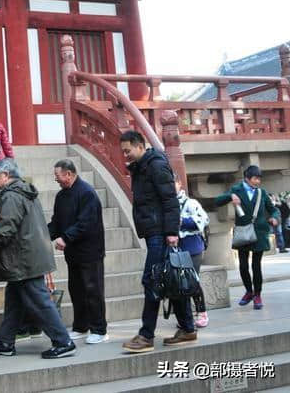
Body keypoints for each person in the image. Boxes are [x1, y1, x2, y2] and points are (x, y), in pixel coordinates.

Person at [0, 158, 76, 360]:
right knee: (14, 301)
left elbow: (4, 230)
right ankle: (6, 342)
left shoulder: (12, 196)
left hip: (23, 259)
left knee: (39, 301)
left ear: (5, 176)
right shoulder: (21, 192)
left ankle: (63, 341)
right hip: (25, 256)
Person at [119, 130, 195, 353]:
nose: (125, 155)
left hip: (161, 234)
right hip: (155, 232)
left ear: (139, 146)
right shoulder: (142, 167)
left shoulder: (156, 166)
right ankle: (188, 328)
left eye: (127, 150)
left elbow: (170, 200)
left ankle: (146, 335)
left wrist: (172, 231)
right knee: (171, 279)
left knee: (152, 280)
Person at [48, 159, 107, 344]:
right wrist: (42, 235)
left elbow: (86, 223)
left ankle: (99, 329)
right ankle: (81, 326)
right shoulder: (61, 196)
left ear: (68, 174)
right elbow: (56, 222)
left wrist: (66, 238)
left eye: (58, 176)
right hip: (72, 253)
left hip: (90, 251)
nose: (56, 179)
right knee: (77, 290)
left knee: (93, 290)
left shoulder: (87, 193)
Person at [215, 165, 280, 309]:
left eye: (259, 179)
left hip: (259, 233)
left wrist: (275, 218)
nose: (258, 181)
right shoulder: (236, 190)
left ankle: (257, 295)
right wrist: (230, 196)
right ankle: (249, 292)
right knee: (243, 266)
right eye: (255, 178)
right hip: (243, 233)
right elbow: (217, 201)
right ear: (247, 178)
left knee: (256, 266)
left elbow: (273, 210)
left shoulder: (262, 193)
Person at [175, 178, 209, 328]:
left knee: (192, 281)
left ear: (179, 183)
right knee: (179, 284)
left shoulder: (191, 203)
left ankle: (201, 312)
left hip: (193, 247)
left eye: (173, 183)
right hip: (176, 249)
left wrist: (182, 221)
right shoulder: (167, 204)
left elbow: (203, 220)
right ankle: (186, 316)